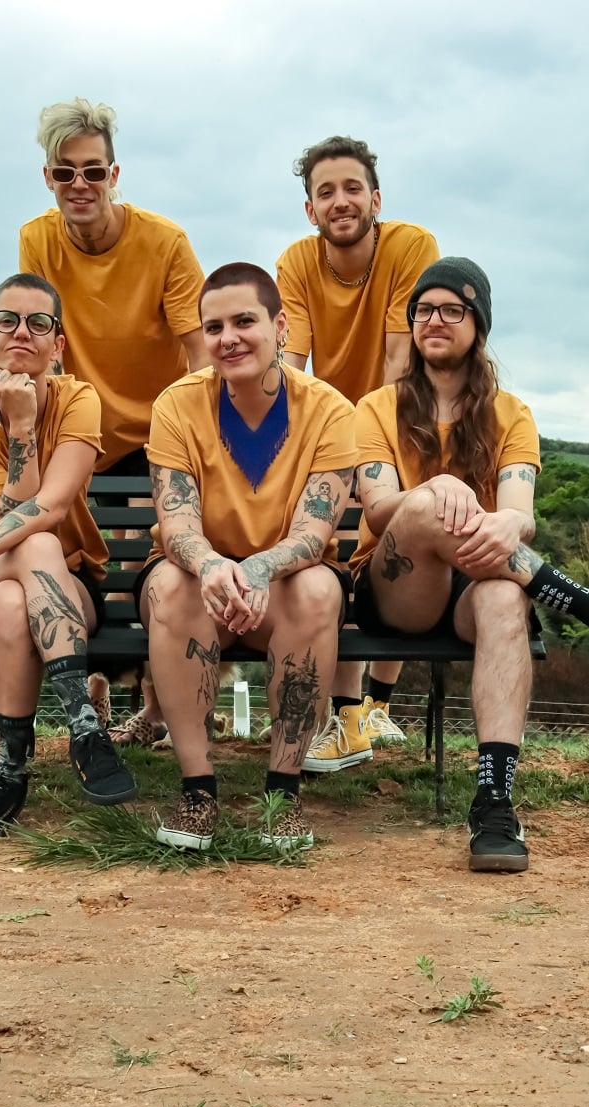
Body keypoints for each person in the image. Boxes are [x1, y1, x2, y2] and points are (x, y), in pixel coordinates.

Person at [352, 257, 589, 873]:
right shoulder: (376, 408)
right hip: (394, 584)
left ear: (478, 325)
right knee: (428, 503)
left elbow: (518, 515)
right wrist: (435, 491)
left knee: (505, 600)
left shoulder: (510, 413)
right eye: (423, 310)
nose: (435, 320)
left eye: (452, 309)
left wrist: (507, 522)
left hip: (476, 580)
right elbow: (379, 510)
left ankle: (493, 803)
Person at [139, 262, 357, 852]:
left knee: (318, 588)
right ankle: (198, 792)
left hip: (285, 585)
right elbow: (176, 519)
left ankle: (281, 796)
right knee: (171, 585)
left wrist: (259, 567)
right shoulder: (178, 404)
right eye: (214, 327)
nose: (227, 338)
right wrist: (214, 566)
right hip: (199, 581)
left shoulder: (330, 410)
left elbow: (315, 533)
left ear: (280, 326)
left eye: (244, 321)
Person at [0, 273, 137, 841]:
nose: (22, 332)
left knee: (21, 589)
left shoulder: (79, 399)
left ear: (58, 344)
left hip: (63, 581)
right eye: (8, 321)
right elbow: (10, 516)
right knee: (26, 550)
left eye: (40, 323)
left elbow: (51, 507)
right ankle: (84, 729)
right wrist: (19, 427)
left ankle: (8, 774)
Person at [18, 97, 209, 745]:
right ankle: (94, 705)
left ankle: (156, 713)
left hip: (158, 429)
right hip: (78, 425)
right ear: (48, 176)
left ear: (114, 174)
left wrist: (187, 443)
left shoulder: (165, 241)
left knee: (147, 564)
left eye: (92, 171)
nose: (80, 185)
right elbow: (43, 337)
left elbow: (198, 349)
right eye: (65, 171)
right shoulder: (37, 238)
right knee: (83, 560)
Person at [277, 135, 442, 774]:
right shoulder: (296, 261)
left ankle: (377, 703)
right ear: (311, 209)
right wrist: (304, 437)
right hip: (329, 421)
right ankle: (346, 715)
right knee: (339, 547)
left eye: (352, 188)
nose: (340, 201)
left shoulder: (409, 246)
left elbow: (402, 359)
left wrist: (366, 438)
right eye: (325, 192)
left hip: (402, 415)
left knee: (389, 542)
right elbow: (293, 362)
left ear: (376, 197)